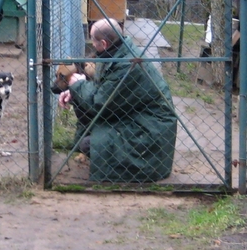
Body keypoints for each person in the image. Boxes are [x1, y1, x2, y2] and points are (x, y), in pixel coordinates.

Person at [58, 18, 177, 182]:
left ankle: (116, 168)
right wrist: (75, 91)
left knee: (89, 144)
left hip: (150, 130)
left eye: (93, 40)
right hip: (135, 118)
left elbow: (99, 102)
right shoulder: (118, 52)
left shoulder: (126, 64)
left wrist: (78, 85)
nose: (92, 45)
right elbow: (104, 88)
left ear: (104, 43)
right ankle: (97, 151)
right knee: (83, 108)